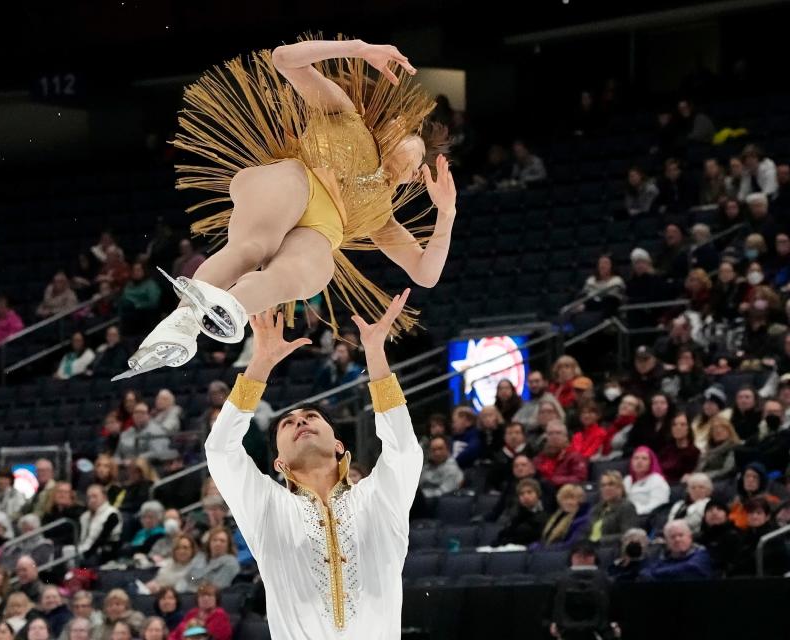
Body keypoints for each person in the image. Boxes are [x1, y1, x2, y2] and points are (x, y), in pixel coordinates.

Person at [116, 37, 456, 380]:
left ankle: (204, 317)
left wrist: (446, 214)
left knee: (299, 274)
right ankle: (185, 317)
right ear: (396, 127)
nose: (416, 172)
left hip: (319, 232)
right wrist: (357, 48)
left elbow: (425, 274)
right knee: (253, 247)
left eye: (419, 172)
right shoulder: (345, 114)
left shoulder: (382, 217)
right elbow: (284, 59)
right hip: (293, 183)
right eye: (417, 155)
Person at [205, 293, 423, 637]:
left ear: (339, 444)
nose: (299, 422)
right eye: (287, 423)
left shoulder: (378, 498)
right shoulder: (266, 508)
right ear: (278, 462)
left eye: (310, 416)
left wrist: (376, 354)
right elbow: (219, 450)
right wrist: (260, 363)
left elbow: (404, 450)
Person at [548, 544, 618, 640]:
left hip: (594, 632)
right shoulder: (560, 581)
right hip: (572, 632)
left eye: (586, 556)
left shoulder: (606, 581)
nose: (582, 559)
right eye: (579, 556)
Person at [640, 520, 714, 581]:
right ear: (666, 541)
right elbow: (644, 572)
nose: (677, 539)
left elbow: (690, 568)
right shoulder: (664, 557)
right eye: (672, 537)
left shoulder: (701, 554)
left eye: (681, 535)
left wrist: (655, 574)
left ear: (690, 537)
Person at [586, 471, 638, 545]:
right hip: (590, 548)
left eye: (611, 484)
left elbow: (628, 535)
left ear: (620, 488)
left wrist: (599, 541)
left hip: (611, 549)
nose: (606, 488)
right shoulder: (596, 508)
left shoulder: (627, 507)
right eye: (603, 485)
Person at [534, 420, 588, 488]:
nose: (554, 436)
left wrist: (554, 480)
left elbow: (580, 478)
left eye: (558, 433)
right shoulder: (539, 458)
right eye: (550, 433)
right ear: (546, 437)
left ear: (565, 437)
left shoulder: (575, 457)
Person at [167, 583, 232, 640]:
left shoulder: (220, 615)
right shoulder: (192, 613)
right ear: (197, 599)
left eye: (210, 596)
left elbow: (203, 636)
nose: (205, 599)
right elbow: (175, 633)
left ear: (216, 599)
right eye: (202, 596)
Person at [495, 478, 548, 547]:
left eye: (529, 492)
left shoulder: (546, 514)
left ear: (538, 494)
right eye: (521, 494)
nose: (525, 496)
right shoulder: (517, 514)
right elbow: (504, 534)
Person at [78, 484, 122, 565]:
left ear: (104, 497)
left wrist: (86, 554)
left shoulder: (112, 514)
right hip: (81, 549)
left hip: (100, 552)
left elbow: (103, 538)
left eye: (95, 496)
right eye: (89, 497)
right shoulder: (84, 516)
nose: (91, 500)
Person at [537, 484, 590, 549]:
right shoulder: (558, 516)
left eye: (572, 498)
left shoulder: (582, 519)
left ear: (579, 501)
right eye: (565, 498)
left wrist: (545, 549)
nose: (568, 502)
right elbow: (545, 540)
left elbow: (571, 544)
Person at [623, 447, 670, 517]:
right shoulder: (627, 480)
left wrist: (633, 512)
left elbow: (658, 506)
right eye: (636, 458)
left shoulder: (657, 480)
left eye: (644, 458)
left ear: (651, 463)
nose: (639, 461)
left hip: (644, 518)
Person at [657, 412, 700, 484]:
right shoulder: (666, 450)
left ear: (688, 428)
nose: (678, 427)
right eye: (674, 425)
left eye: (682, 425)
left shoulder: (694, 452)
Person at [694, 416, 740, 480]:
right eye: (715, 428)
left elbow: (727, 470)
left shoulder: (734, 448)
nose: (718, 431)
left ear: (729, 431)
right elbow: (698, 469)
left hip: (723, 481)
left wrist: (704, 476)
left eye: (722, 428)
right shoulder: (706, 450)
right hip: (701, 480)